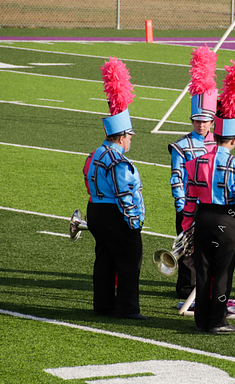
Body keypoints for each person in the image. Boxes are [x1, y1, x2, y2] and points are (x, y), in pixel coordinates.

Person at [181, 58, 235, 334]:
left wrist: (188, 224)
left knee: (203, 271)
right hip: (225, 219)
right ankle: (217, 321)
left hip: (202, 217)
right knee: (222, 272)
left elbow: (189, 198)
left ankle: (201, 320)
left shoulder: (196, 161)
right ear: (234, 140)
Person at [86, 57, 147, 320]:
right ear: (122, 136)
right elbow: (125, 194)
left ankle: (103, 304)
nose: (131, 140)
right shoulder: (118, 160)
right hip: (115, 215)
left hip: (95, 210)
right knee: (129, 262)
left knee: (104, 260)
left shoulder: (95, 154)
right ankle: (127, 308)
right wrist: (134, 222)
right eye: (129, 136)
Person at [168, 46, 218, 300]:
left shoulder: (217, 144)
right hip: (189, 204)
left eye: (204, 120)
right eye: (197, 120)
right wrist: (182, 205)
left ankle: (205, 286)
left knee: (209, 248)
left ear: (212, 121)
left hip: (212, 204)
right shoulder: (182, 145)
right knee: (187, 249)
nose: (200, 124)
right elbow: (176, 176)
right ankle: (186, 289)